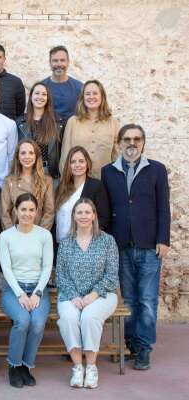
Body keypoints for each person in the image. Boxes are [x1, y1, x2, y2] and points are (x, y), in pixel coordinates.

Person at [101, 124, 170, 370]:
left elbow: (163, 207)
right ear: (119, 143)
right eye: (127, 139)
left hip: (150, 245)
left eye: (137, 139)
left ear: (143, 142)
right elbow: (106, 210)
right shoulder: (108, 171)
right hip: (121, 246)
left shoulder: (157, 170)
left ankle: (144, 347)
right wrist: (108, 244)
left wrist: (163, 239)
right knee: (128, 299)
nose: (132, 143)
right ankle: (130, 343)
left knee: (148, 300)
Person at [56, 198, 119, 389]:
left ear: (94, 216)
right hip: (71, 295)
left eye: (87, 212)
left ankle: (91, 367)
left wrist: (93, 295)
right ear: (74, 216)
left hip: (103, 295)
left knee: (89, 317)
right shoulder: (66, 243)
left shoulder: (107, 241)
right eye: (79, 212)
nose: (83, 216)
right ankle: (77, 367)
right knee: (68, 318)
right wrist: (74, 296)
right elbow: (61, 275)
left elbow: (112, 274)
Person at [0, 193, 53, 388]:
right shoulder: (6, 236)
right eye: (23, 209)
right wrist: (20, 294)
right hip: (13, 290)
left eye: (31, 210)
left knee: (37, 323)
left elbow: (47, 267)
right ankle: (14, 365)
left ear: (36, 212)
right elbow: (6, 269)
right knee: (22, 321)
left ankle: (25, 366)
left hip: (38, 289)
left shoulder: (44, 235)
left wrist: (37, 293)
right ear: (15, 210)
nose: (27, 214)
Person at [59, 80, 120, 179]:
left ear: (102, 97)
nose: (91, 97)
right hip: (78, 181)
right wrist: (65, 181)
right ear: (83, 98)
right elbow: (65, 155)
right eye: (87, 94)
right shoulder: (73, 122)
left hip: (104, 181)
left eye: (95, 93)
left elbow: (117, 156)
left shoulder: (113, 123)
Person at [54, 146, 110, 248]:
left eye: (81, 161)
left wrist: (88, 240)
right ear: (69, 165)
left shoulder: (96, 186)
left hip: (83, 245)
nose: (77, 165)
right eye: (73, 162)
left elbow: (104, 218)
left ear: (87, 163)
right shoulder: (62, 187)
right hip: (60, 245)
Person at [1, 139, 55, 230]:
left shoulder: (46, 181)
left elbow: (49, 212)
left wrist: (40, 234)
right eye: (23, 153)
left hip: (38, 233)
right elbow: (4, 213)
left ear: (36, 156)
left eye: (31, 153)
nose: (27, 156)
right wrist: (12, 234)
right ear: (18, 157)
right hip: (15, 233)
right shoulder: (9, 181)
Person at [16, 82, 61, 180]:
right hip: (26, 170)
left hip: (49, 172)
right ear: (31, 96)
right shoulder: (19, 122)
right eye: (37, 93)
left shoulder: (57, 122)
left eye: (44, 94)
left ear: (48, 98)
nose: (40, 97)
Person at [42, 45, 83, 138]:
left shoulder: (79, 88)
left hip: (72, 137)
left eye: (62, 60)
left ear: (68, 62)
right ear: (50, 63)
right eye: (55, 60)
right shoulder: (42, 87)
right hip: (48, 137)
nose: (59, 64)